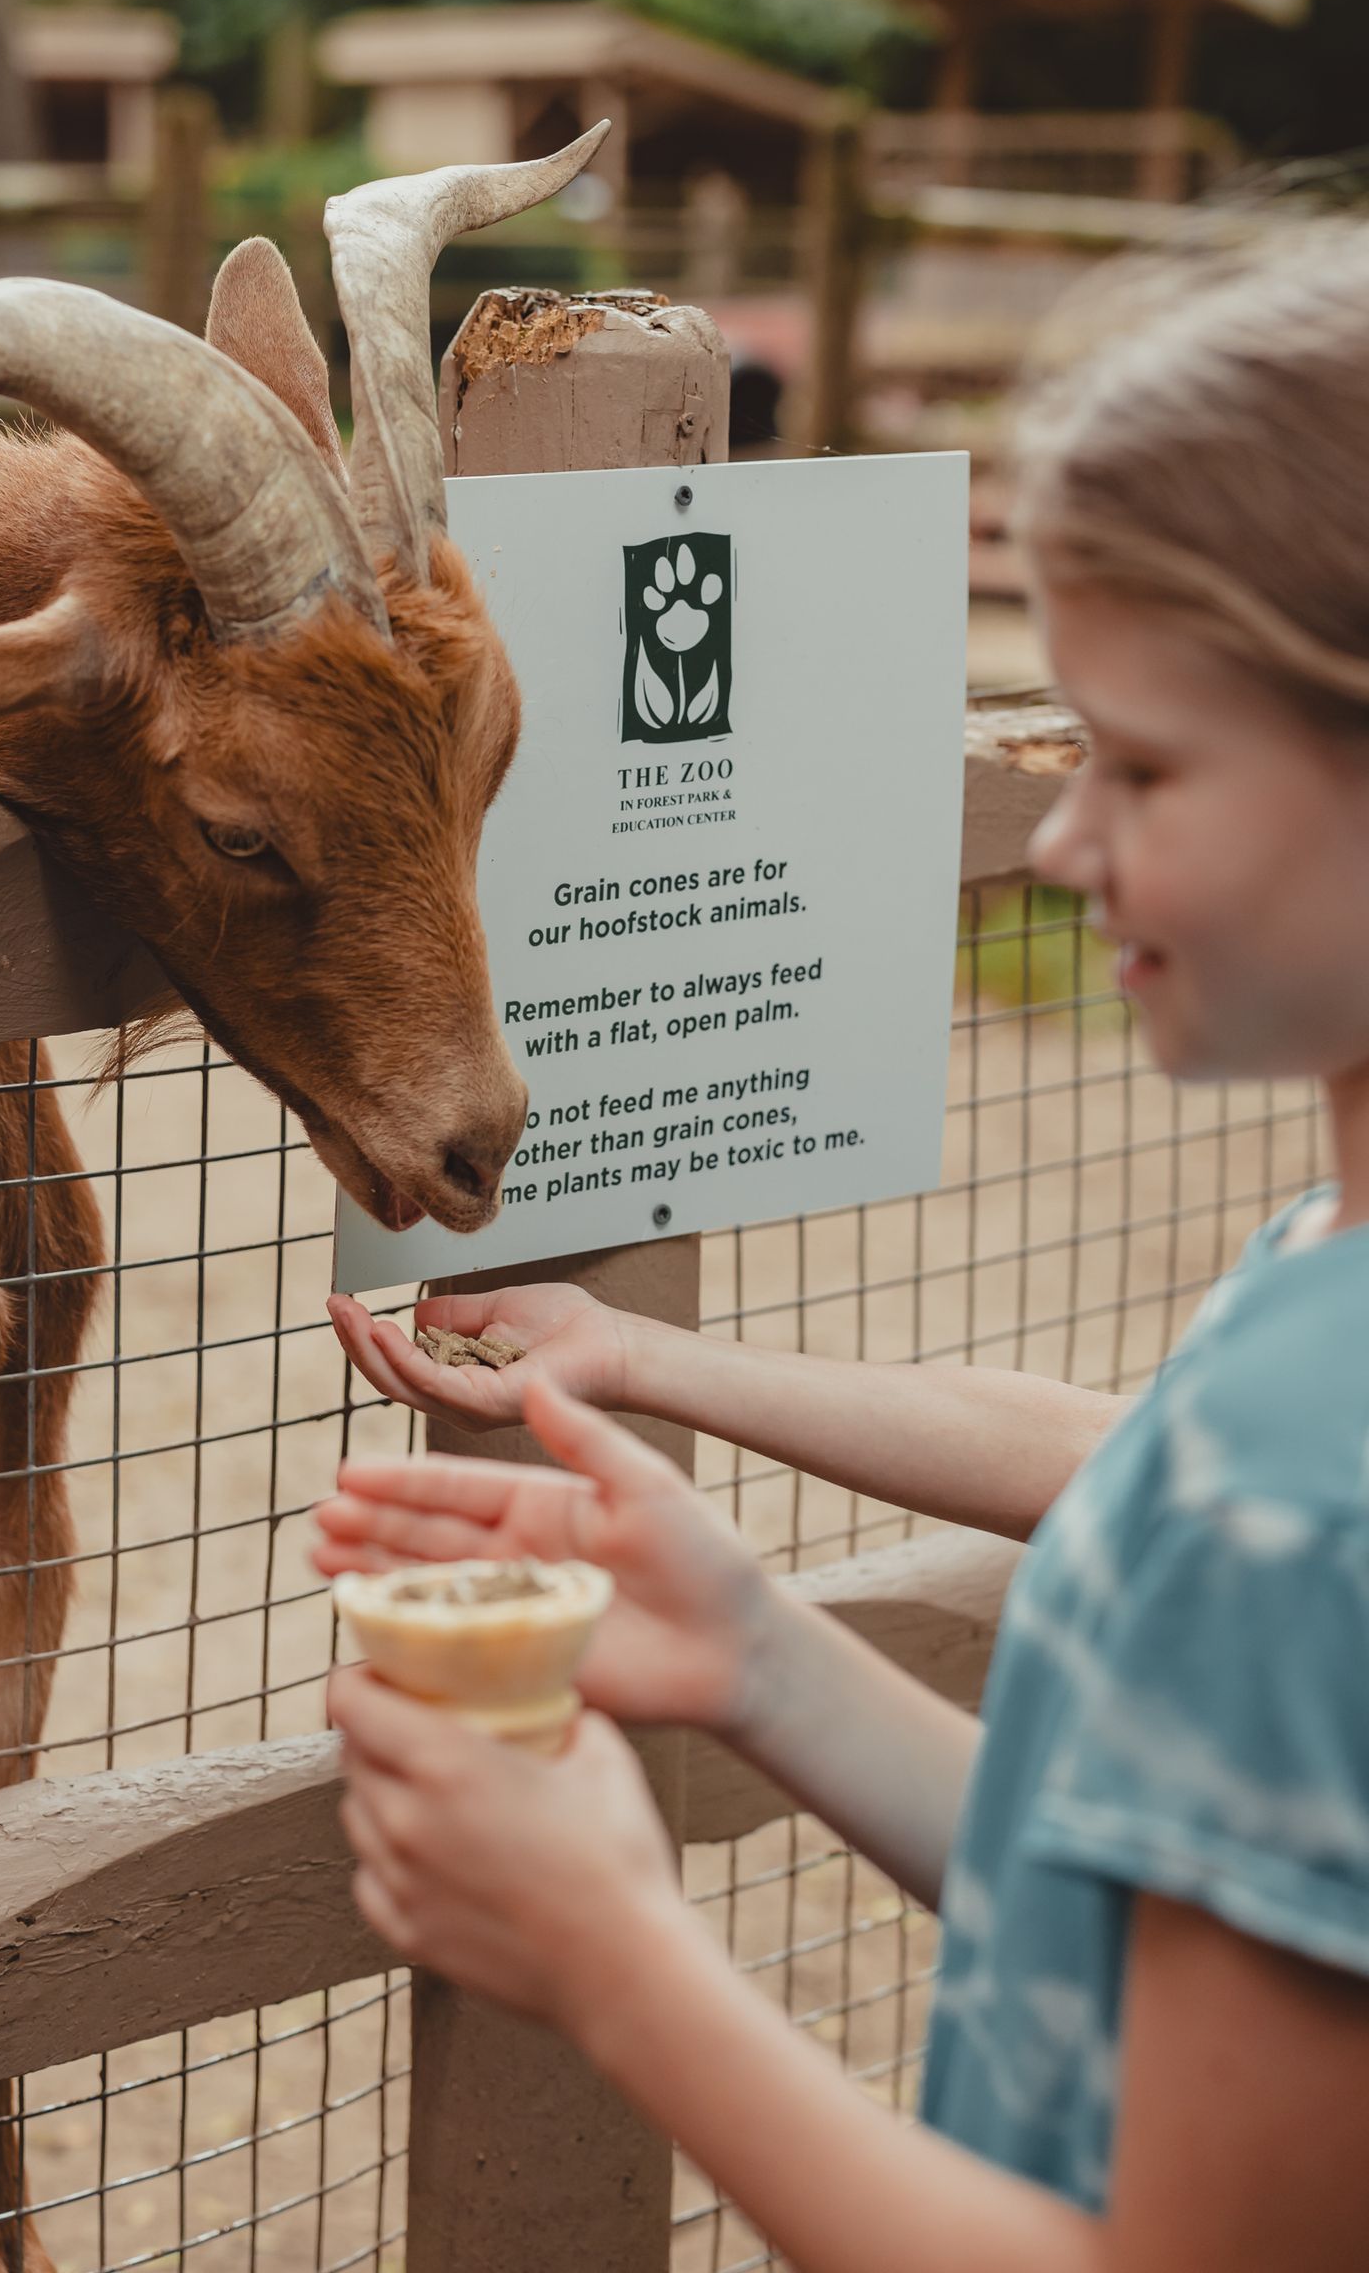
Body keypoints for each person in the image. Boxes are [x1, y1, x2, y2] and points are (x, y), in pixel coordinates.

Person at [315, 224, 1369, 2270]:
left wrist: (619, 1959)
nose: (1058, 842)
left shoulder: (1304, 1501)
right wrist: (763, 1655)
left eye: (1139, 766)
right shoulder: (1322, 1279)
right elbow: (1149, 1916)